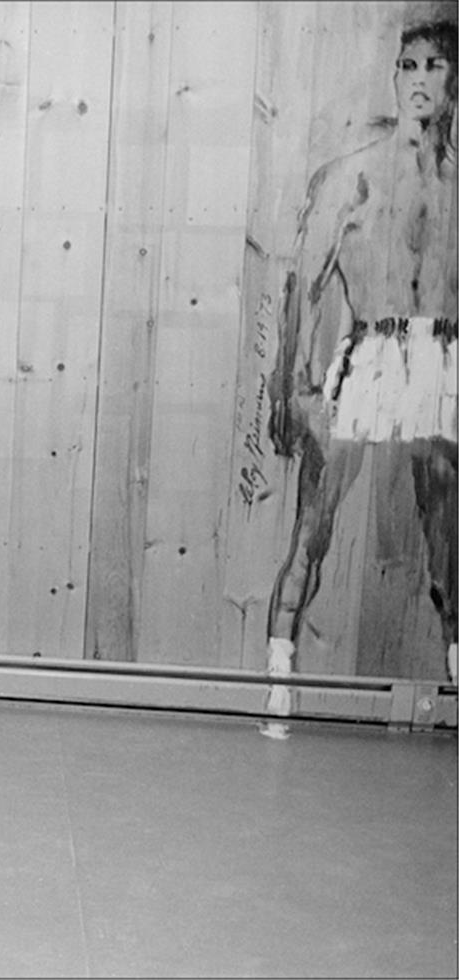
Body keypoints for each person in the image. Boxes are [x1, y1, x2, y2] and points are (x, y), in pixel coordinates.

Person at [264, 12, 456, 738]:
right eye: (409, 67)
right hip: (370, 355)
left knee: (448, 547)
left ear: (454, 79)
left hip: (440, 359)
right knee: (312, 527)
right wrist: (292, 386)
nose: (420, 82)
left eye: (435, 66)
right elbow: (304, 281)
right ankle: (278, 684)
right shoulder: (354, 175)